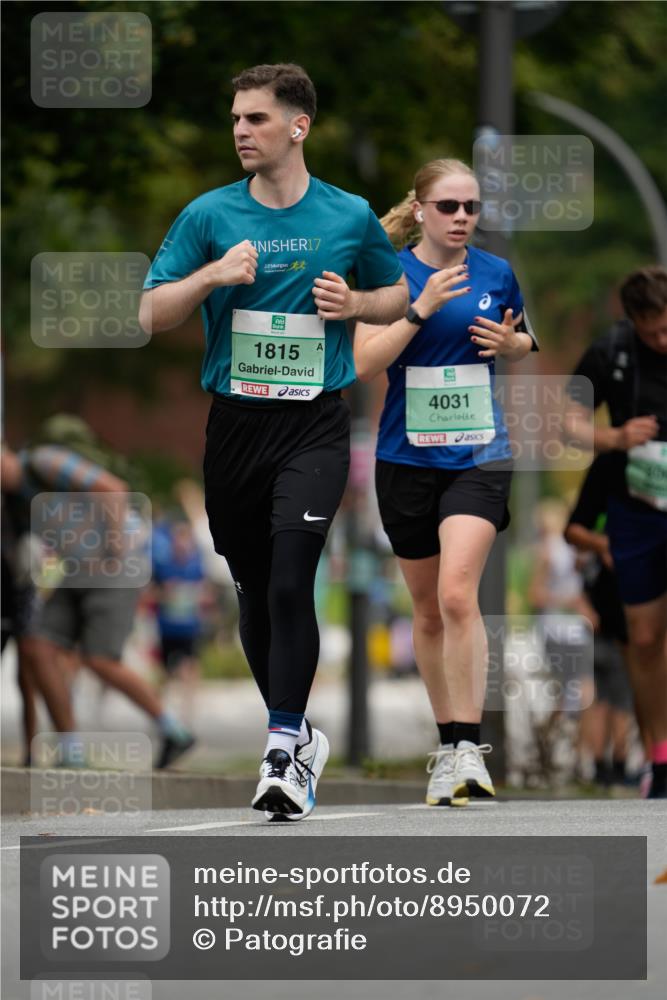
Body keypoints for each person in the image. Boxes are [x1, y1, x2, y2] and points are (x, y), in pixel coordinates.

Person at [139, 63, 407, 820]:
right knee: (255, 589)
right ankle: (298, 734)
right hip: (234, 425)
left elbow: (395, 294)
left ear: (298, 127)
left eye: (255, 119)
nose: (239, 131)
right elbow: (150, 312)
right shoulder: (209, 217)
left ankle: (283, 746)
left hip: (315, 422)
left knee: (293, 575)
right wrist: (211, 278)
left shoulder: (348, 216)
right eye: (235, 119)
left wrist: (354, 301)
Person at [353, 158, 537, 806]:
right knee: (427, 610)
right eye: (449, 207)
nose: (462, 218)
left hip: (479, 455)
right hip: (405, 460)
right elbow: (360, 362)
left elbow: (521, 339)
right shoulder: (388, 273)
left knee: (459, 595)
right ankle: (445, 744)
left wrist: (516, 349)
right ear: (423, 210)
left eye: (471, 207)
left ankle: (468, 746)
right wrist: (419, 309)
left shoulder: (495, 273)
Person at [1, 423, 195, 770]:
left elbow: (114, 490)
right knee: (36, 645)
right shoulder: (11, 501)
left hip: (114, 561)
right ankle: (71, 750)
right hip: (74, 570)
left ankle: (174, 730)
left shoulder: (43, 462)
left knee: (100, 660)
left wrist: (115, 548)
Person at [564, 266, 667, 798]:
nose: (663, 340)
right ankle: (660, 756)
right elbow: (567, 422)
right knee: (644, 639)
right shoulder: (612, 352)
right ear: (633, 322)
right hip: (637, 509)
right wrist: (615, 436)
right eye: (652, 332)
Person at [564, 455, 641, 789]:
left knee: (597, 702)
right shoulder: (633, 549)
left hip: (593, 630)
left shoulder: (593, 552)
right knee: (620, 703)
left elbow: (578, 588)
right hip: (621, 631)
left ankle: (598, 765)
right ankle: (620, 764)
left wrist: (587, 613)